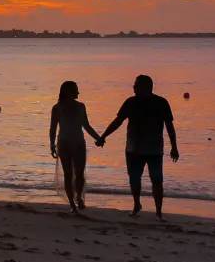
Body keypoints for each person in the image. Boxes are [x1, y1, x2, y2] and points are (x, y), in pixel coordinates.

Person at [99, 74, 179, 222]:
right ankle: (137, 205)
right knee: (134, 178)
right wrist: (103, 136)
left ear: (145, 87)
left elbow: (169, 126)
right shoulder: (130, 102)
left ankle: (159, 212)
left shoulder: (161, 102)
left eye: (136, 85)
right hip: (133, 148)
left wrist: (174, 147)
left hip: (154, 149)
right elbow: (118, 122)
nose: (133, 87)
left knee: (157, 180)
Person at [49, 81, 103, 214]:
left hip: (78, 142)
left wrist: (98, 138)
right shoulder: (57, 108)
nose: (78, 92)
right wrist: (52, 145)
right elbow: (53, 128)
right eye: (76, 90)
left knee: (79, 173)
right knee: (68, 174)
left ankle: (78, 196)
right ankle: (72, 203)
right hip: (64, 143)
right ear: (68, 92)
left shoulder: (81, 106)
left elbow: (86, 126)